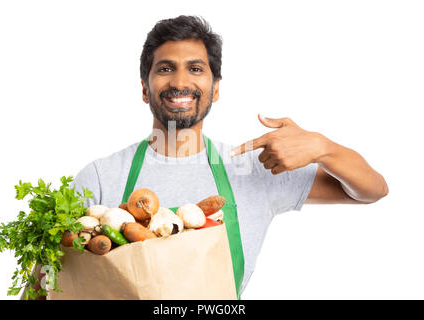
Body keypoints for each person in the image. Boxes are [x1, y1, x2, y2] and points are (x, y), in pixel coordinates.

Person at [27, 15, 388, 299]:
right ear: (144, 88)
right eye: (165, 68)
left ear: (215, 89)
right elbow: (44, 285)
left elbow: (371, 191)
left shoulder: (253, 169)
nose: (180, 81)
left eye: (196, 68)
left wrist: (324, 147)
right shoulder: (102, 176)